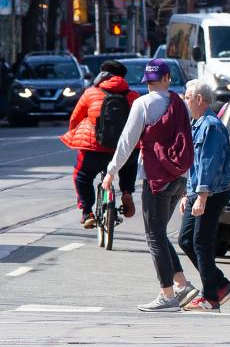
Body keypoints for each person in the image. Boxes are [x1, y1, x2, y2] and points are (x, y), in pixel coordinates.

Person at [102, 59, 198, 312]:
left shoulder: (143, 104)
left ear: (147, 81)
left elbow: (127, 141)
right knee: (160, 233)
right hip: (180, 177)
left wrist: (111, 171)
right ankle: (182, 285)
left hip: (156, 179)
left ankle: (167, 296)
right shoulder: (180, 103)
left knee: (154, 237)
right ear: (167, 79)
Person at [177, 80, 230, 312]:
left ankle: (211, 297)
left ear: (199, 99)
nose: (185, 101)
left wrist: (202, 196)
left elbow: (209, 165)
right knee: (186, 240)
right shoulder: (197, 124)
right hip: (197, 191)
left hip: (211, 193)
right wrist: (187, 193)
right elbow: (194, 164)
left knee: (201, 243)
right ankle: (220, 283)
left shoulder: (211, 126)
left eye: (187, 97)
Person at [60, 60, 139, 228]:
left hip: (95, 148)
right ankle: (127, 191)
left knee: (82, 175)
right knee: (129, 165)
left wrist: (76, 134)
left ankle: (87, 212)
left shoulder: (90, 93)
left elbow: (75, 118)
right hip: (124, 150)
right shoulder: (133, 96)